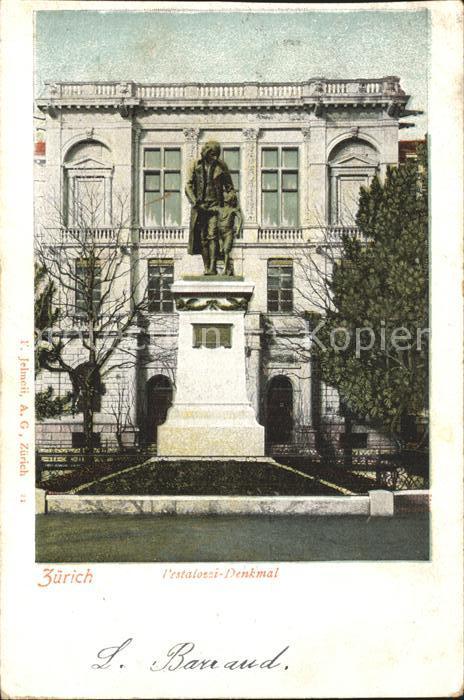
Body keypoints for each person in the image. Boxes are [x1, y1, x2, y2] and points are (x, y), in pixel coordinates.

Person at [185, 140, 235, 275]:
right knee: (202, 238)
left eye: (216, 155)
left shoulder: (221, 166)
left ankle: (212, 267)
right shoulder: (196, 165)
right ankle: (207, 266)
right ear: (206, 153)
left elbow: (230, 187)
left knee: (212, 235)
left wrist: (230, 197)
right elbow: (188, 186)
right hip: (200, 206)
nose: (214, 157)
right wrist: (195, 202)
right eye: (212, 154)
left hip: (215, 206)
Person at [217, 189, 243, 276]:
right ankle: (229, 268)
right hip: (220, 234)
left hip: (228, 232)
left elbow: (240, 218)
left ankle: (225, 269)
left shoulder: (233, 210)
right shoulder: (220, 209)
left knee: (226, 250)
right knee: (220, 250)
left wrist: (238, 229)